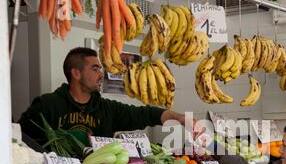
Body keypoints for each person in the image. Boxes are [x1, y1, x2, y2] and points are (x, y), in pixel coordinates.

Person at [19, 47, 192, 145]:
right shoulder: (47, 105)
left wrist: (181, 118)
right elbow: (22, 139)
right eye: (95, 69)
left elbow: (144, 114)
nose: (101, 74)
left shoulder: (107, 109)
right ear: (76, 73)